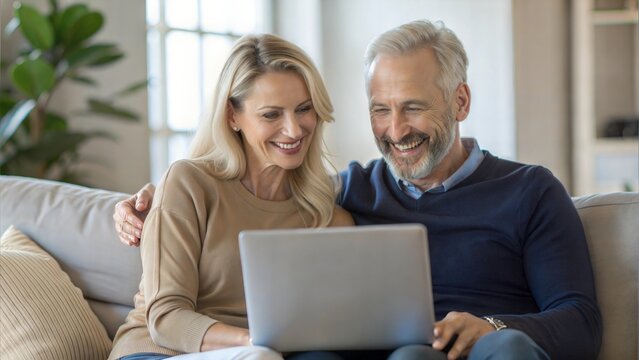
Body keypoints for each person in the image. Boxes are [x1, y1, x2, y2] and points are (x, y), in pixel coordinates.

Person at [115, 20, 602, 360]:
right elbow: (245, 192)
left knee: (508, 348)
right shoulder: (352, 191)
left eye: (413, 106)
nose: (395, 130)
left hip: (499, 345)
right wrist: (150, 201)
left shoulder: (530, 190)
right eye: (379, 109)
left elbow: (581, 321)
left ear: (460, 101)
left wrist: (495, 325)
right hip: (404, 353)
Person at [108, 33, 354, 360]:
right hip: (160, 352)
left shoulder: (327, 216)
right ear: (232, 116)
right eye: (271, 114)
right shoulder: (190, 183)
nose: (294, 130)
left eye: (303, 109)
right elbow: (165, 318)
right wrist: (254, 343)